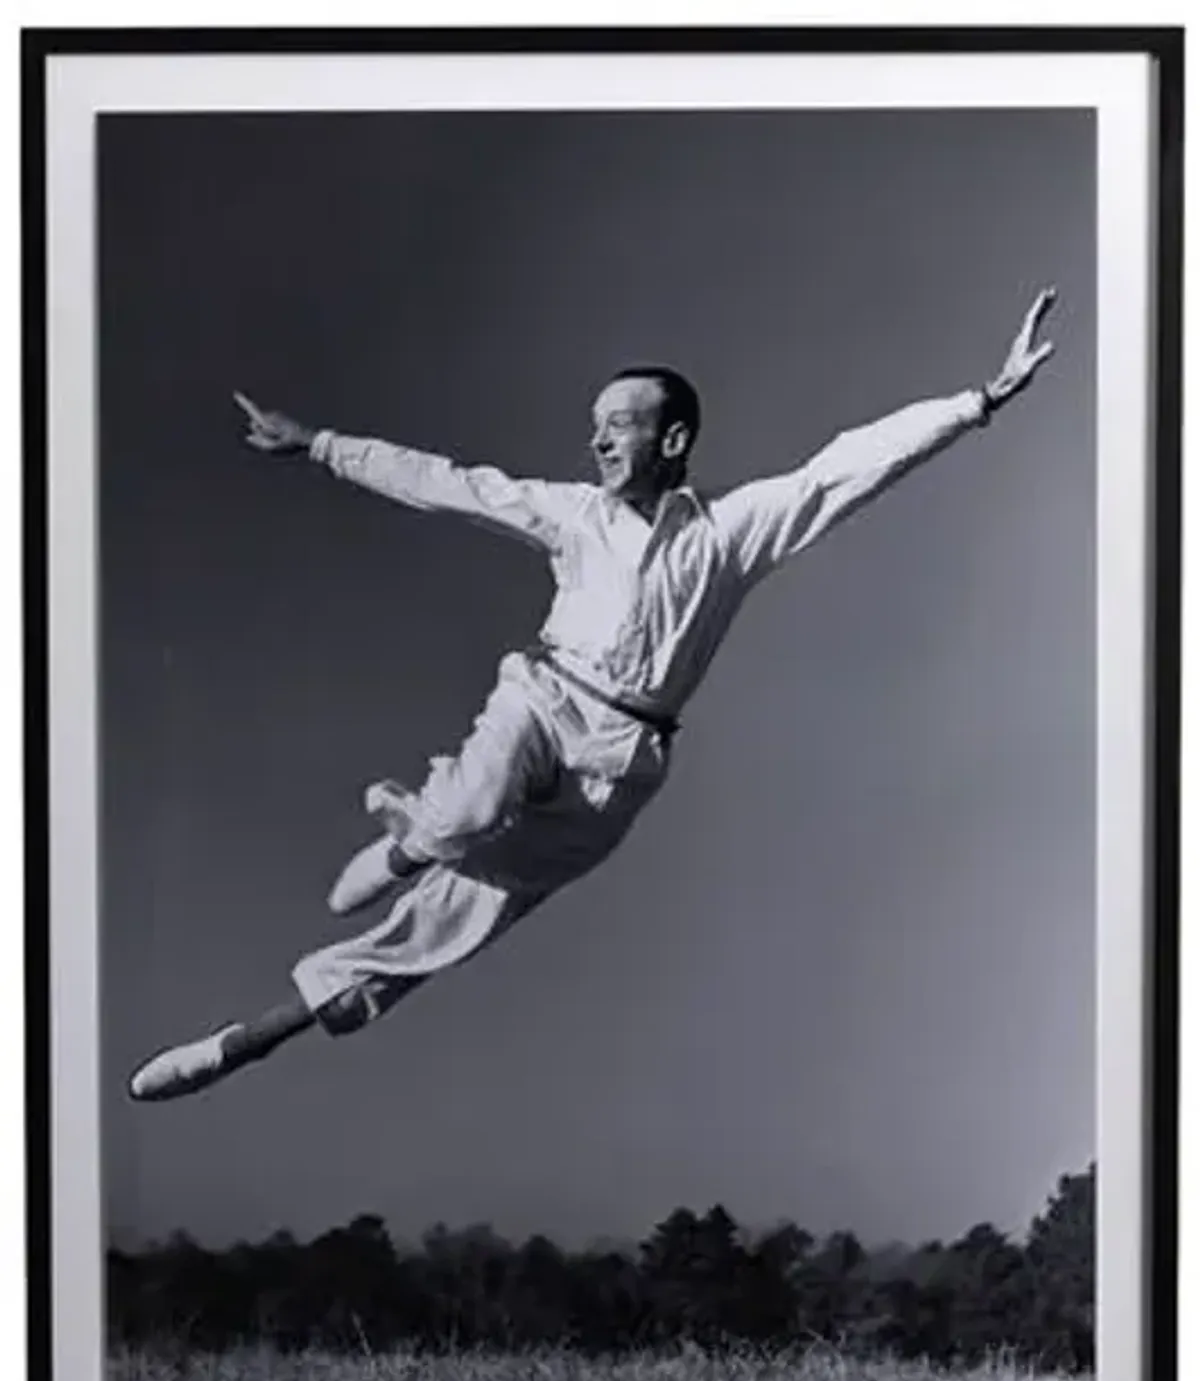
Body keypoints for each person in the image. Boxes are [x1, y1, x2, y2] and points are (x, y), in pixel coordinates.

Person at [128, 288, 1058, 1102]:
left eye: (618, 422)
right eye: (595, 422)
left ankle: (241, 1043)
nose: (597, 437)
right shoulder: (574, 514)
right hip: (543, 700)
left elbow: (841, 470)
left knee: (444, 930)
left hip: (621, 769)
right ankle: (416, 833)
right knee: (466, 814)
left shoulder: (729, 535)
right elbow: (452, 487)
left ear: (674, 438)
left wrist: (978, 402)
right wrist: (323, 445)